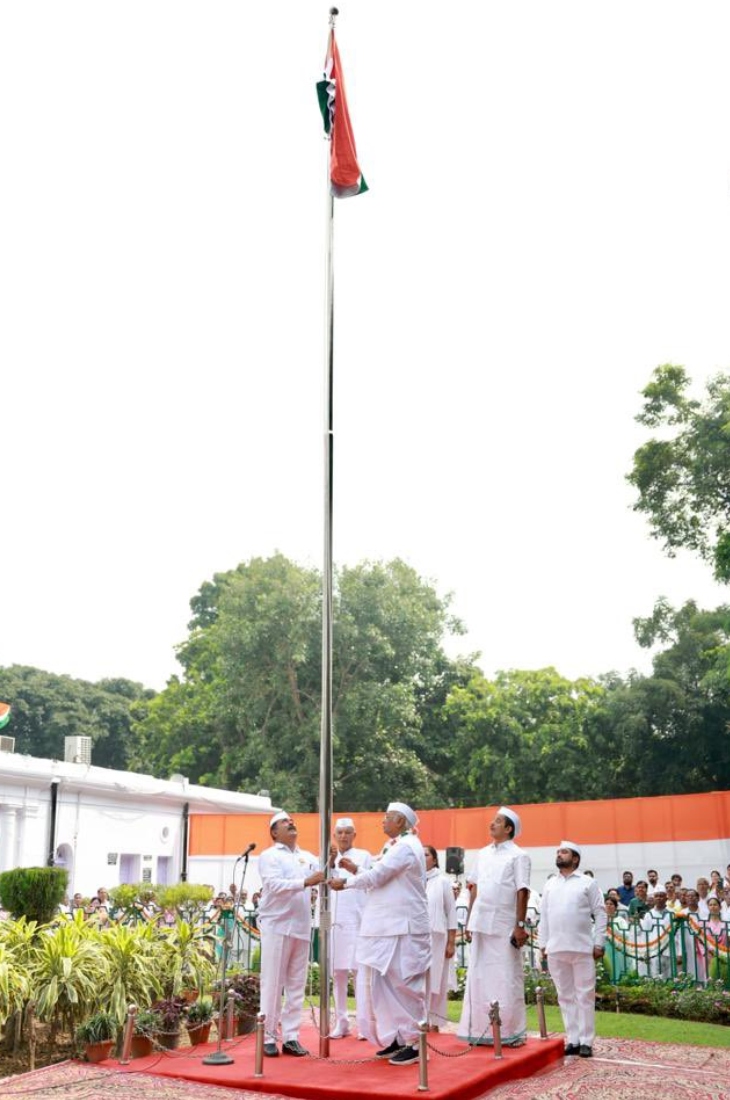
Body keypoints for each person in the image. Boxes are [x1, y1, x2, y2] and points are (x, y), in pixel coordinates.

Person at [329, 801, 431, 1067]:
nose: (382, 822)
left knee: (405, 983)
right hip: (387, 928)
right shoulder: (393, 846)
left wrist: (346, 882)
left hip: (405, 927)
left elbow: (380, 876)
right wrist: (356, 871)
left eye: (387, 818)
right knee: (383, 984)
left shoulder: (407, 847)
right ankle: (399, 1035)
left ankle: (415, 1042)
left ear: (400, 821)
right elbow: (378, 875)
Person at [457, 806, 531, 1048]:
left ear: (508, 829)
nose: (492, 824)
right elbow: (474, 888)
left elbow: (522, 890)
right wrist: (469, 920)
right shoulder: (483, 854)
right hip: (480, 922)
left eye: (497, 821)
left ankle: (512, 1032)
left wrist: (519, 926)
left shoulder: (518, 856)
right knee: (478, 977)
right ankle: (480, 1031)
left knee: (506, 977)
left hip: (504, 925)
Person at [258, 810, 324, 1057]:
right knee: (273, 982)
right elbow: (273, 885)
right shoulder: (269, 856)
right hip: (277, 925)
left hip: (301, 926)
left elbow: (325, 875)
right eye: (284, 822)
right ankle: (268, 1036)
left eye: (291, 821)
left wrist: (331, 860)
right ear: (274, 832)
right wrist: (306, 882)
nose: (291, 823)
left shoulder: (307, 857)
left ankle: (291, 1036)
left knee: (297, 984)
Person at [538, 841, 606, 1059]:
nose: (559, 854)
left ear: (575, 858)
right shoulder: (549, 884)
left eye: (564, 852)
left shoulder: (588, 883)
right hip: (556, 948)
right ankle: (573, 1039)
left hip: (582, 948)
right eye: (558, 852)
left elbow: (601, 913)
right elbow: (544, 917)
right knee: (565, 996)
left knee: (585, 995)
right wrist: (542, 944)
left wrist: (599, 943)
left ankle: (587, 1041)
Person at [327, 816, 372, 1039]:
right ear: (334, 836)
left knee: (360, 974)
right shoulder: (327, 857)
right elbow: (325, 885)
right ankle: (341, 1022)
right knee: (338, 973)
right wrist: (330, 862)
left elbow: (370, 881)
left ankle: (363, 1024)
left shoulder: (363, 856)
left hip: (358, 923)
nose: (343, 836)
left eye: (348, 832)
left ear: (354, 835)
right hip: (336, 924)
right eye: (340, 832)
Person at [423, 844, 458, 1031]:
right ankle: (420, 1021)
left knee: (436, 980)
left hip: (437, 938)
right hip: (418, 938)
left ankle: (434, 1022)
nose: (422, 858)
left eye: (426, 855)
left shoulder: (443, 881)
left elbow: (451, 912)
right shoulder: (412, 879)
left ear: (434, 859)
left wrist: (451, 942)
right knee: (419, 981)